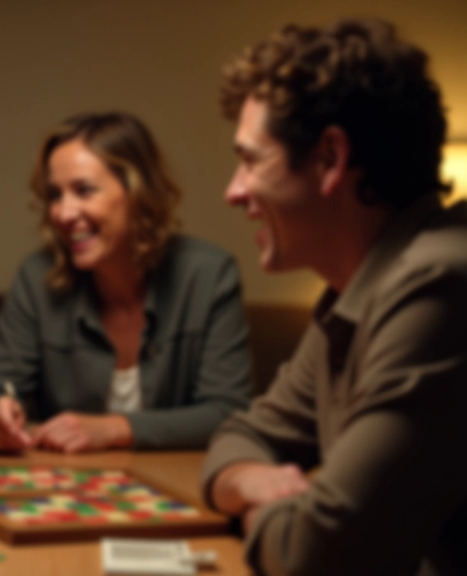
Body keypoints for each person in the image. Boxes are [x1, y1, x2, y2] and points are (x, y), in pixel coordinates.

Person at [201, 19, 467, 575]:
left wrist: (258, 516)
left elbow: (317, 558)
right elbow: (243, 433)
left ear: (329, 159)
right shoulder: (358, 294)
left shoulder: (439, 285)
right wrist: (253, 480)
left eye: (251, 161)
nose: (234, 191)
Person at [0, 112, 251, 453]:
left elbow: (228, 412)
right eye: (55, 195)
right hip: (62, 492)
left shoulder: (209, 274)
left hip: (176, 487)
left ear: (138, 192)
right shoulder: (36, 277)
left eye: (84, 190)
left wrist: (115, 429)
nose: (63, 213)